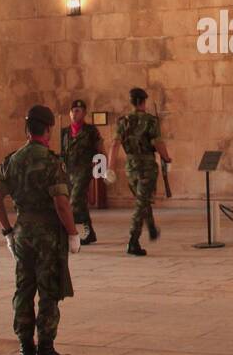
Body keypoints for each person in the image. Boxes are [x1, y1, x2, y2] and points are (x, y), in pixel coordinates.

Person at [0, 105, 79, 355]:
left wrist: (8, 232)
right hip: (48, 236)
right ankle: (46, 352)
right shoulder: (51, 162)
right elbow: (61, 204)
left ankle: (26, 351)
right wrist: (73, 233)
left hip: (22, 234)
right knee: (48, 291)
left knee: (24, 289)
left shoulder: (12, 160)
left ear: (27, 129)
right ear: (48, 129)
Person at [108, 87, 171, 256]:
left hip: (131, 168)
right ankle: (133, 241)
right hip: (146, 167)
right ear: (143, 101)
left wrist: (110, 168)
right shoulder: (150, 121)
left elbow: (114, 145)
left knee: (142, 200)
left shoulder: (123, 121)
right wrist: (166, 157)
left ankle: (151, 228)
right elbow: (158, 143)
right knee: (141, 203)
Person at [60, 99, 104, 245]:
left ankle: (68, 232)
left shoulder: (91, 131)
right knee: (81, 203)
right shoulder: (65, 132)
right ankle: (90, 232)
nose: (74, 113)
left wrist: (102, 170)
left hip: (84, 170)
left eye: (78, 111)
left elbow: (100, 150)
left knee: (75, 201)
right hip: (69, 171)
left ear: (84, 113)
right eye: (72, 111)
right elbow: (62, 153)